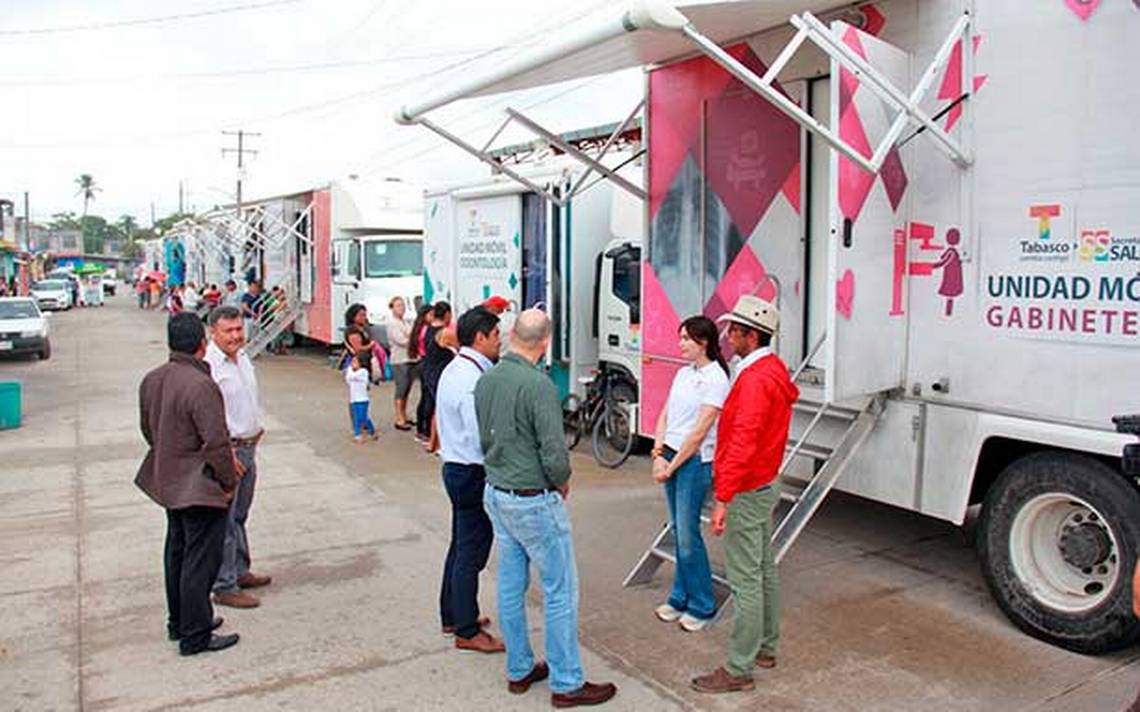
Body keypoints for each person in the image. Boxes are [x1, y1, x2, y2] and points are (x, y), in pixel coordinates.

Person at [476, 308, 617, 708]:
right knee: (560, 591)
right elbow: (554, 449)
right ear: (546, 341)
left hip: (498, 490)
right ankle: (567, 682)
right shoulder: (538, 385)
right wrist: (561, 480)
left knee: (509, 583)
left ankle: (519, 669)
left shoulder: (488, 377)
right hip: (531, 498)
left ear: (511, 335)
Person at [691, 295, 798, 694]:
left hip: (749, 486)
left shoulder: (754, 379)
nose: (727, 337)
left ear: (751, 335)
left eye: (734, 331)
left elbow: (741, 442)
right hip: (765, 480)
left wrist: (723, 496)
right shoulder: (770, 369)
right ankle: (766, 648)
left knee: (745, 578)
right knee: (764, 569)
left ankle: (739, 667)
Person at [135, 312, 241, 656]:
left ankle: (180, 621)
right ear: (202, 343)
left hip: (168, 481)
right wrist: (227, 483)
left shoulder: (153, 379)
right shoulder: (200, 384)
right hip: (198, 486)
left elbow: (148, 430)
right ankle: (195, 634)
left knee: (177, 554)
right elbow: (216, 442)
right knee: (199, 561)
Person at [650, 315, 730, 632]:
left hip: (694, 461)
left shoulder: (716, 379)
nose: (681, 344)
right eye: (680, 337)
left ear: (704, 342)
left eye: (686, 339)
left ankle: (702, 604)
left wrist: (672, 465)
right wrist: (658, 454)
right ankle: (679, 597)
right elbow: (665, 415)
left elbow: (700, 432)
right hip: (669, 454)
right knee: (677, 529)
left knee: (687, 536)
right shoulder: (683, 374)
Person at [436, 307, 504, 653]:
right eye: (495, 336)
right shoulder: (471, 379)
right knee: (471, 553)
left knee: (460, 544)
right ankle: (465, 629)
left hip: (456, 466)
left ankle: (453, 613)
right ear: (479, 337)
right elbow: (481, 436)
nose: (499, 341)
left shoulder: (458, 368)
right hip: (470, 470)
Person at [205, 305, 273, 609]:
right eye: (228, 331)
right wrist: (223, 451)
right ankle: (224, 585)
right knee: (226, 521)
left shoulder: (243, 358)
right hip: (228, 451)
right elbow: (208, 416)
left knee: (241, 515)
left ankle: (240, 569)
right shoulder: (209, 366)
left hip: (249, 446)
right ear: (213, 332)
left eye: (238, 329)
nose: (235, 336)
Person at [420, 301, 454, 453]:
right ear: (447, 314)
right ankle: (437, 443)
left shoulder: (428, 329)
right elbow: (460, 349)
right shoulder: (445, 332)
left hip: (428, 370)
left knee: (436, 407)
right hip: (439, 373)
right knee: (441, 409)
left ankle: (433, 442)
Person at [386, 296, 419, 431]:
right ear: (392, 308)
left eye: (403, 305)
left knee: (407, 389)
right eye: (398, 305)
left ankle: (404, 414)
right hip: (399, 360)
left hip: (410, 359)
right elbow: (402, 341)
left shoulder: (405, 322)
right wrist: (412, 339)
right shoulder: (392, 323)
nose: (402, 308)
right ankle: (399, 417)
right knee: (401, 389)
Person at [343, 303, 386, 379]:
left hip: (367, 361)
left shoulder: (363, 327)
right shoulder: (352, 331)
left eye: (365, 315)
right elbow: (358, 349)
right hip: (360, 363)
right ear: (353, 316)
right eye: (361, 315)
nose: (364, 317)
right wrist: (371, 345)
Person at [346, 351, 378, 443]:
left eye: (355, 362)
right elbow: (348, 379)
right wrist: (350, 369)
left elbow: (351, 376)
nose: (352, 364)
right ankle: (357, 434)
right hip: (354, 399)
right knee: (356, 417)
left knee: (363, 418)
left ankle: (371, 431)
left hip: (362, 400)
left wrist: (349, 369)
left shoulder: (363, 372)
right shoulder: (353, 372)